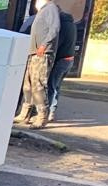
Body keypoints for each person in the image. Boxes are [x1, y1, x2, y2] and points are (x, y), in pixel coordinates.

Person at [14, 0, 60, 129]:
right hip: (33, 53)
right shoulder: (43, 10)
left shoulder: (51, 8)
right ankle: (24, 114)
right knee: (28, 86)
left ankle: (42, 117)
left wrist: (44, 45)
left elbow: (54, 29)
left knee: (38, 86)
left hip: (42, 53)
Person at [48, 11, 77, 122]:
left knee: (52, 86)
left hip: (61, 60)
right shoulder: (72, 25)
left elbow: (57, 44)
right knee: (57, 86)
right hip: (69, 60)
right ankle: (52, 110)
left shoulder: (62, 26)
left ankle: (48, 112)